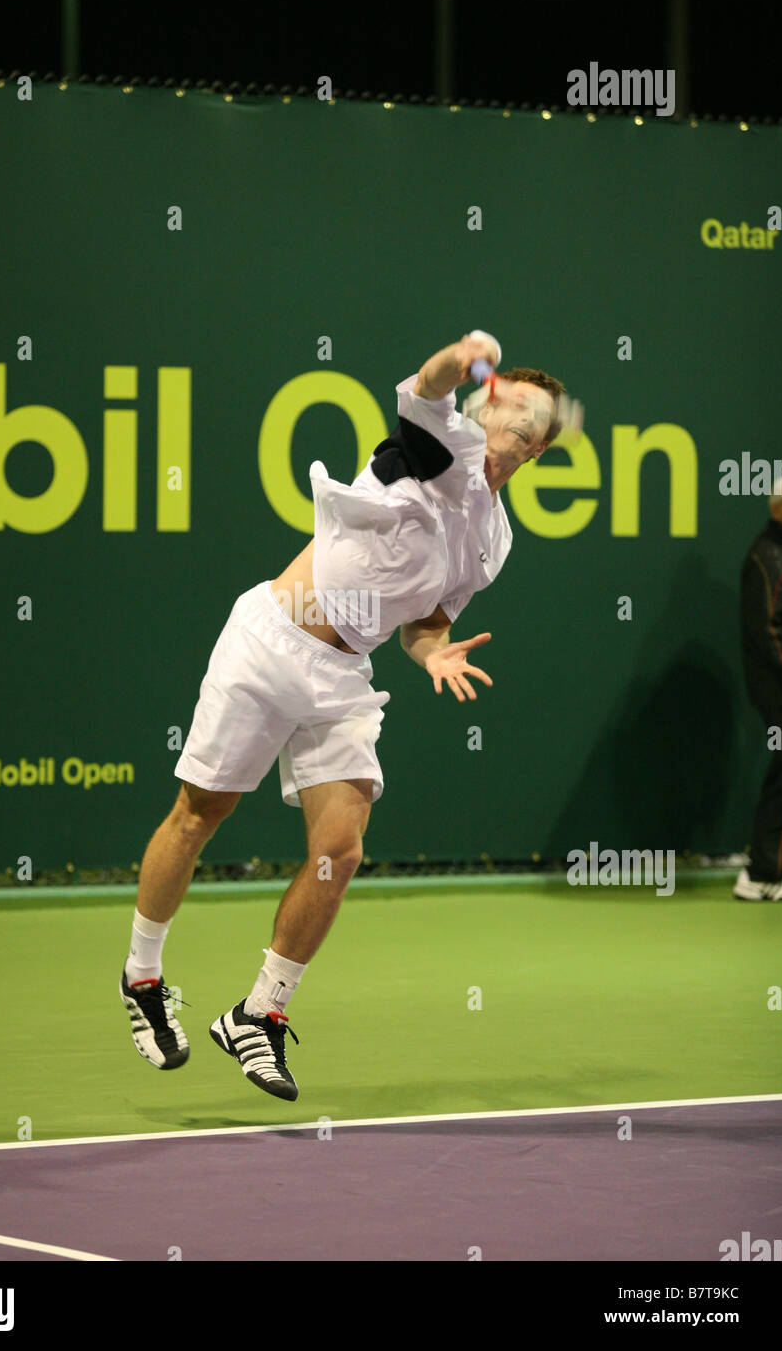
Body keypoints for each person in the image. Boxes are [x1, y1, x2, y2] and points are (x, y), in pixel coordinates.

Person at [119, 331, 570, 1099]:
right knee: (199, 817)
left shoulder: (493, 540)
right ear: (484, 407)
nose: (524, 437)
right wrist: (464, 353)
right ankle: (142, 976)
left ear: (539, 449)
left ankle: (259, 1014)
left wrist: (433, 654)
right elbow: (428, 384)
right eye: (517, 416)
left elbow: (424, 621)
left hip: (344, 676)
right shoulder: (437, 447)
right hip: (270, 642)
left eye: (539, 434)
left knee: (342, 848)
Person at [734, 482, 782, 902]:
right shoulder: (769, 556)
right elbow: (768, 630)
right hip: (777, 687)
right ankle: (763, 874)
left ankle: (770, 867)